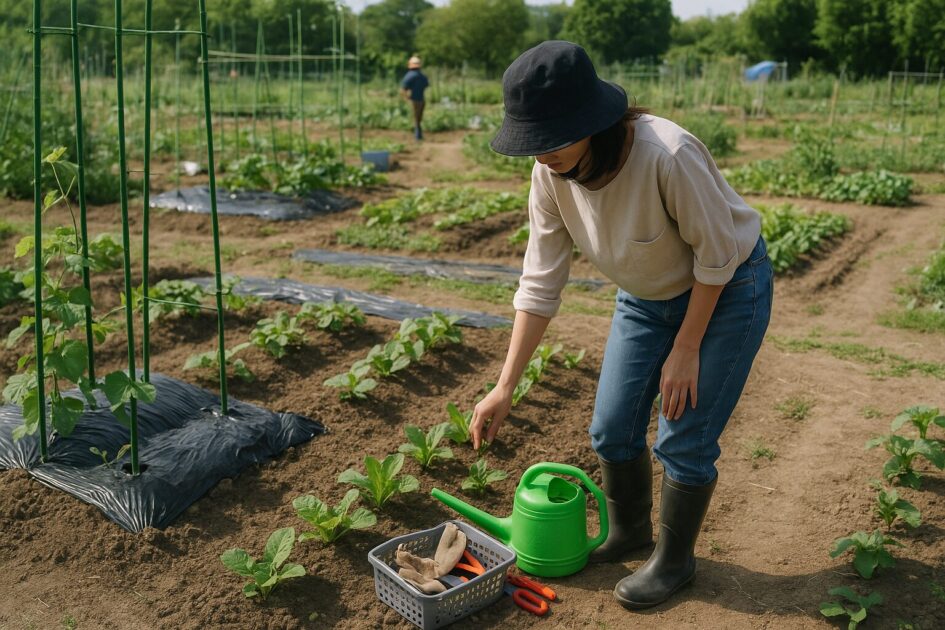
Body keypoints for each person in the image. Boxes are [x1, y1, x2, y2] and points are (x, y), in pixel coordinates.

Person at [470, 41, 773, 610]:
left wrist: (687, 347)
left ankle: (674, 561)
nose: (540, 155)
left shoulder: (667, 154)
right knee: (611, 428)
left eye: (551, 137)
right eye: (531, 141)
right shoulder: (550, 176)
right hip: (644, 296)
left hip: (727, 288)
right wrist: (505, 385)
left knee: (682, 435)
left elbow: (716, 256)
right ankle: (630, 532)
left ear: (592, 120)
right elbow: (540, 282)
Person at [401, 55, 429, 141]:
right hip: (421, 99)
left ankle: (417, 136)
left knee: (415, 118)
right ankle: (418, 135)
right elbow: (426, 86)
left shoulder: (408, 76)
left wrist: (406, 98)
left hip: (413, 100)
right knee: (419, 118)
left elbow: (403, 89)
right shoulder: (422, 76)